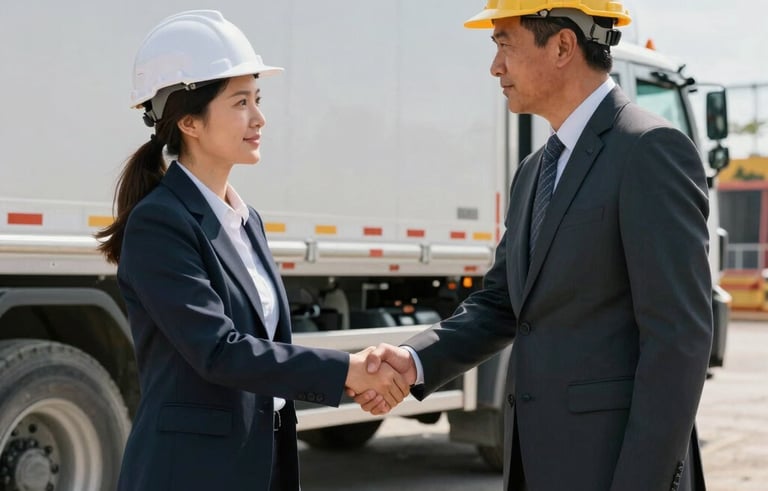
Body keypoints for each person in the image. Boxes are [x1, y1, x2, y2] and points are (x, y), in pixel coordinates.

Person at [353, 2, 713, 490]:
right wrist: (414, 360)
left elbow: (677, 340)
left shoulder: (650, 150)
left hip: (615, 472)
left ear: (563, 45)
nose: (494, 66)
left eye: (505, 44)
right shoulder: (534, 170)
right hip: (536, 466)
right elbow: (502, 304)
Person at [96, 10, 406, 491]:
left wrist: (352, 380)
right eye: (241, 102)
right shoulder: (160, 223)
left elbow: (268, 349)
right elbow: (219, 351)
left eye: (257, 99)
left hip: (258, 467)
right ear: (191, 121)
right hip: (190, 473)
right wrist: (348, 370)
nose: (259, 117)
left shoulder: (246, 219)